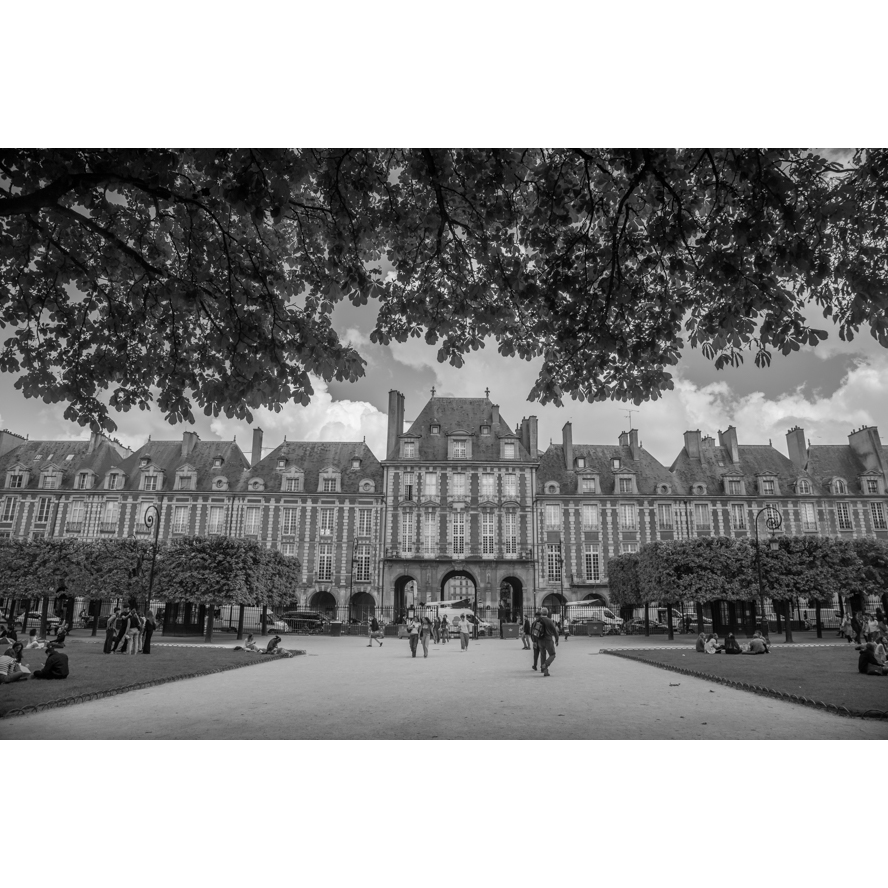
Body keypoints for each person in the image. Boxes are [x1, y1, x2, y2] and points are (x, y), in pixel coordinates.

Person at [531, 607, 559, 676]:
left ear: (541, 613)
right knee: (552, 654)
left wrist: (534, 640)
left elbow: (533, 631)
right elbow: (555, 631)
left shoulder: (537, 620)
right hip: (548, 640)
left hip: (540, 640)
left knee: (543, 654)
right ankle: (545, 665)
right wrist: (557, 639)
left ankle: (544, 670)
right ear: (547, 612)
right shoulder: (549, 621)